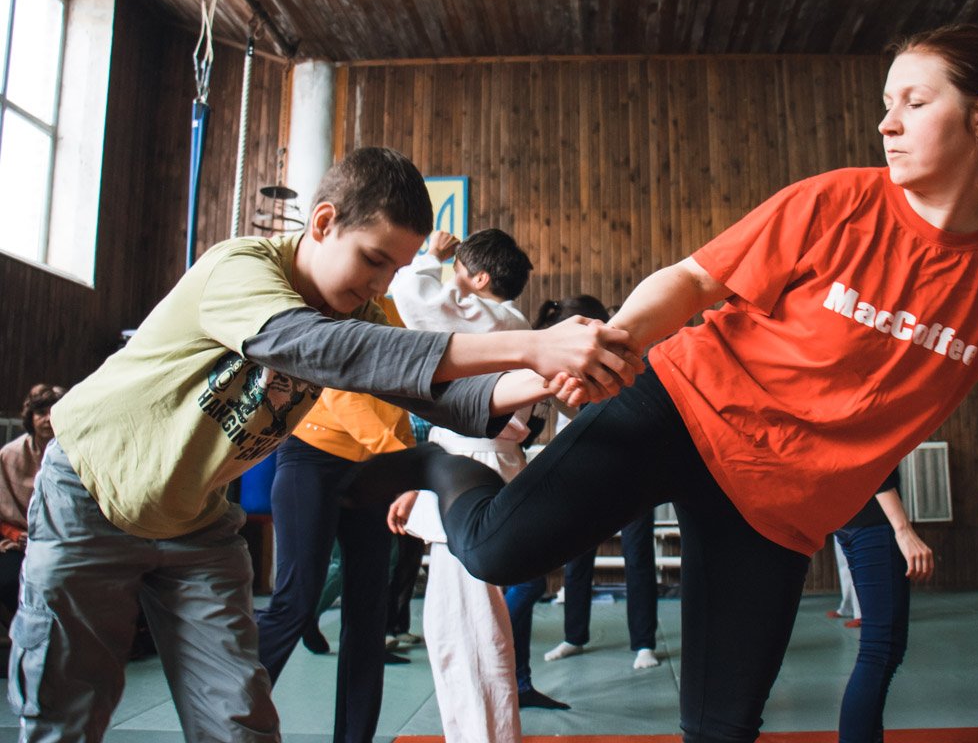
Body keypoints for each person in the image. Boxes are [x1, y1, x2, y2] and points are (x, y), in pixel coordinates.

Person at [350, 26, 978, 742]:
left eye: (914, 103)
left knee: (722, 728)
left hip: (777, 509)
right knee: (494, 551)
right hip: (684, 407)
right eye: (886, 105)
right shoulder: (840, 200)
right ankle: (439, 469)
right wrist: (611, 346)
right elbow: (694, 281)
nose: (887, 123)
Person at [6, 146, 638, 742]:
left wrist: (549, 377)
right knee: (67, 710)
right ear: (324, 222)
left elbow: (443, 395)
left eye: (395, 268)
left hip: (195, 523)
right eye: (373, 259)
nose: (382, 285)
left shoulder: (358, 314)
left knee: (239, 720)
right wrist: (528, 344)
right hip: (92, 493)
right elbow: (328, 350)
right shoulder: (242, 268)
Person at [389, 227, 567, 742]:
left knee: (464, 630)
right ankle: (482, 733)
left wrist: (431, 256)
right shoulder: (505, 324)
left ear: (481, 278)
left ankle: (483, 736)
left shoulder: (493, 318)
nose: (454, 283)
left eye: (461, 274)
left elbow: (411, 297)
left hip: (474, 470)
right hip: (476, 466)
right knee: (463, 627)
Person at [255, 376, 417, 743]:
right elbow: (340, 389)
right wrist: (404, 462)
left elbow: (403, 396)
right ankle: (226, 725)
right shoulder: (361, 315)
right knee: (295, 601)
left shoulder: (406, 324)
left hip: (375, 467)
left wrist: (405, 454)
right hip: (313, 456)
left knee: (369, 614)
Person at [534, 297, 662, 671]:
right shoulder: (562, 365)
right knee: (576, 558)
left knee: (638, 557)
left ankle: (644, 643)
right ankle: (574, 636)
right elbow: (566, 417)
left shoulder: (632, 363)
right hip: (581, 472)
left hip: (631, 470)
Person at [835, 470, 933, 743]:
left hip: (855, 518)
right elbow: (871, 455)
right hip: (874, 521)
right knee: (879, 651)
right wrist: (903, 529)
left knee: (881, 652)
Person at [0, 384, 64, 617]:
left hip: (64, 542)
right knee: (9, 582)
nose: (47, 419)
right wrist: (16, 535)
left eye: (53, 413)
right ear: (31, 417)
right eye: (41, 413)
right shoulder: (11, 454)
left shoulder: (74, 455)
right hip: (18, 541)